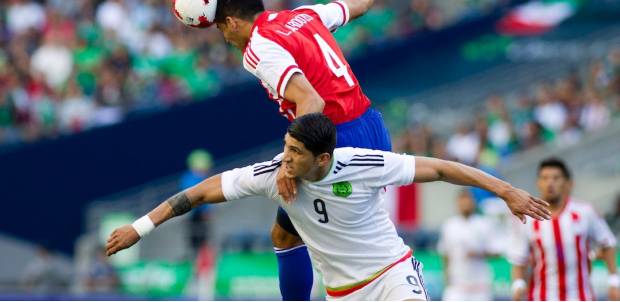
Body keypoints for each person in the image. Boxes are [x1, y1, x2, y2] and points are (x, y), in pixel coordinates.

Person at [106, 113, 551, 301]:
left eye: (296, 152)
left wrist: (507, 191)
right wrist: (140, 228)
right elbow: (200, 193)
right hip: (341, 293)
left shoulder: (364, 164)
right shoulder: (273, 174)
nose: (287, 158)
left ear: (323, 158)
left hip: (392, 277)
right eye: (286, 146)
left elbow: (441, 169)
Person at [210, 0, 395, 300]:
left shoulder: (258, 50)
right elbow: (356, 4)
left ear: (233, 22)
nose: (223, 35)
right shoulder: (302, 16)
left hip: (335, 137)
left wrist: (288, 164)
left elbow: (312, 102)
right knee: (312, 234)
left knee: (313, 241)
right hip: (370, 124)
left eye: (221, 27)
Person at [509, 158, 619, 301]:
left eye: (556, 178)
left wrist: (613, 281)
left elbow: (607, 243)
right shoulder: (528, 218)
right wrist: (518, 284)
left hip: (580, 297)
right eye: (545, 178)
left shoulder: (585, 212)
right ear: (538, 183)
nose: (550, 183)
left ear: (567, 183)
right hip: (541, 297)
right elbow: (519, 258)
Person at [438, 189, 500, 300]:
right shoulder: (449, 225)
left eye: (468, 199)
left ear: (474, 202)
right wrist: (446, 278)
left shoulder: (484, 224)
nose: (465, 203)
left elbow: (497, 252)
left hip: (480, 287)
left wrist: (478, 253)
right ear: (457, 202)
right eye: (462, 199)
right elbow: (445, 254)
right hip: (456, 286)